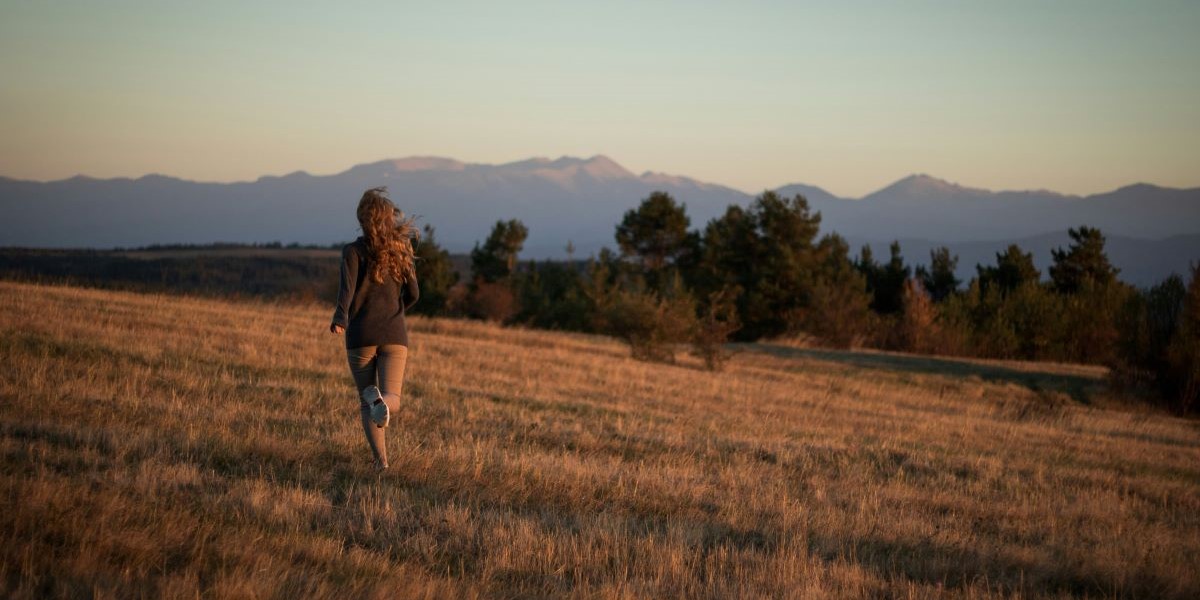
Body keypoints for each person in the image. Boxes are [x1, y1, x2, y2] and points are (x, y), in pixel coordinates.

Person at [330, 187, 420, 472]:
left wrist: (341, 318)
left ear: (362, 218)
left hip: (361, 335)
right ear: (388, 218)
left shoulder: (352, 251)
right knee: (393, 398)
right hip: (394, 334)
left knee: (366, 402)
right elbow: (414, 293)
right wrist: (396, 313)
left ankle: (381, 463)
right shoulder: (401, 249)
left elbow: (346, 291)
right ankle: (383, 402)